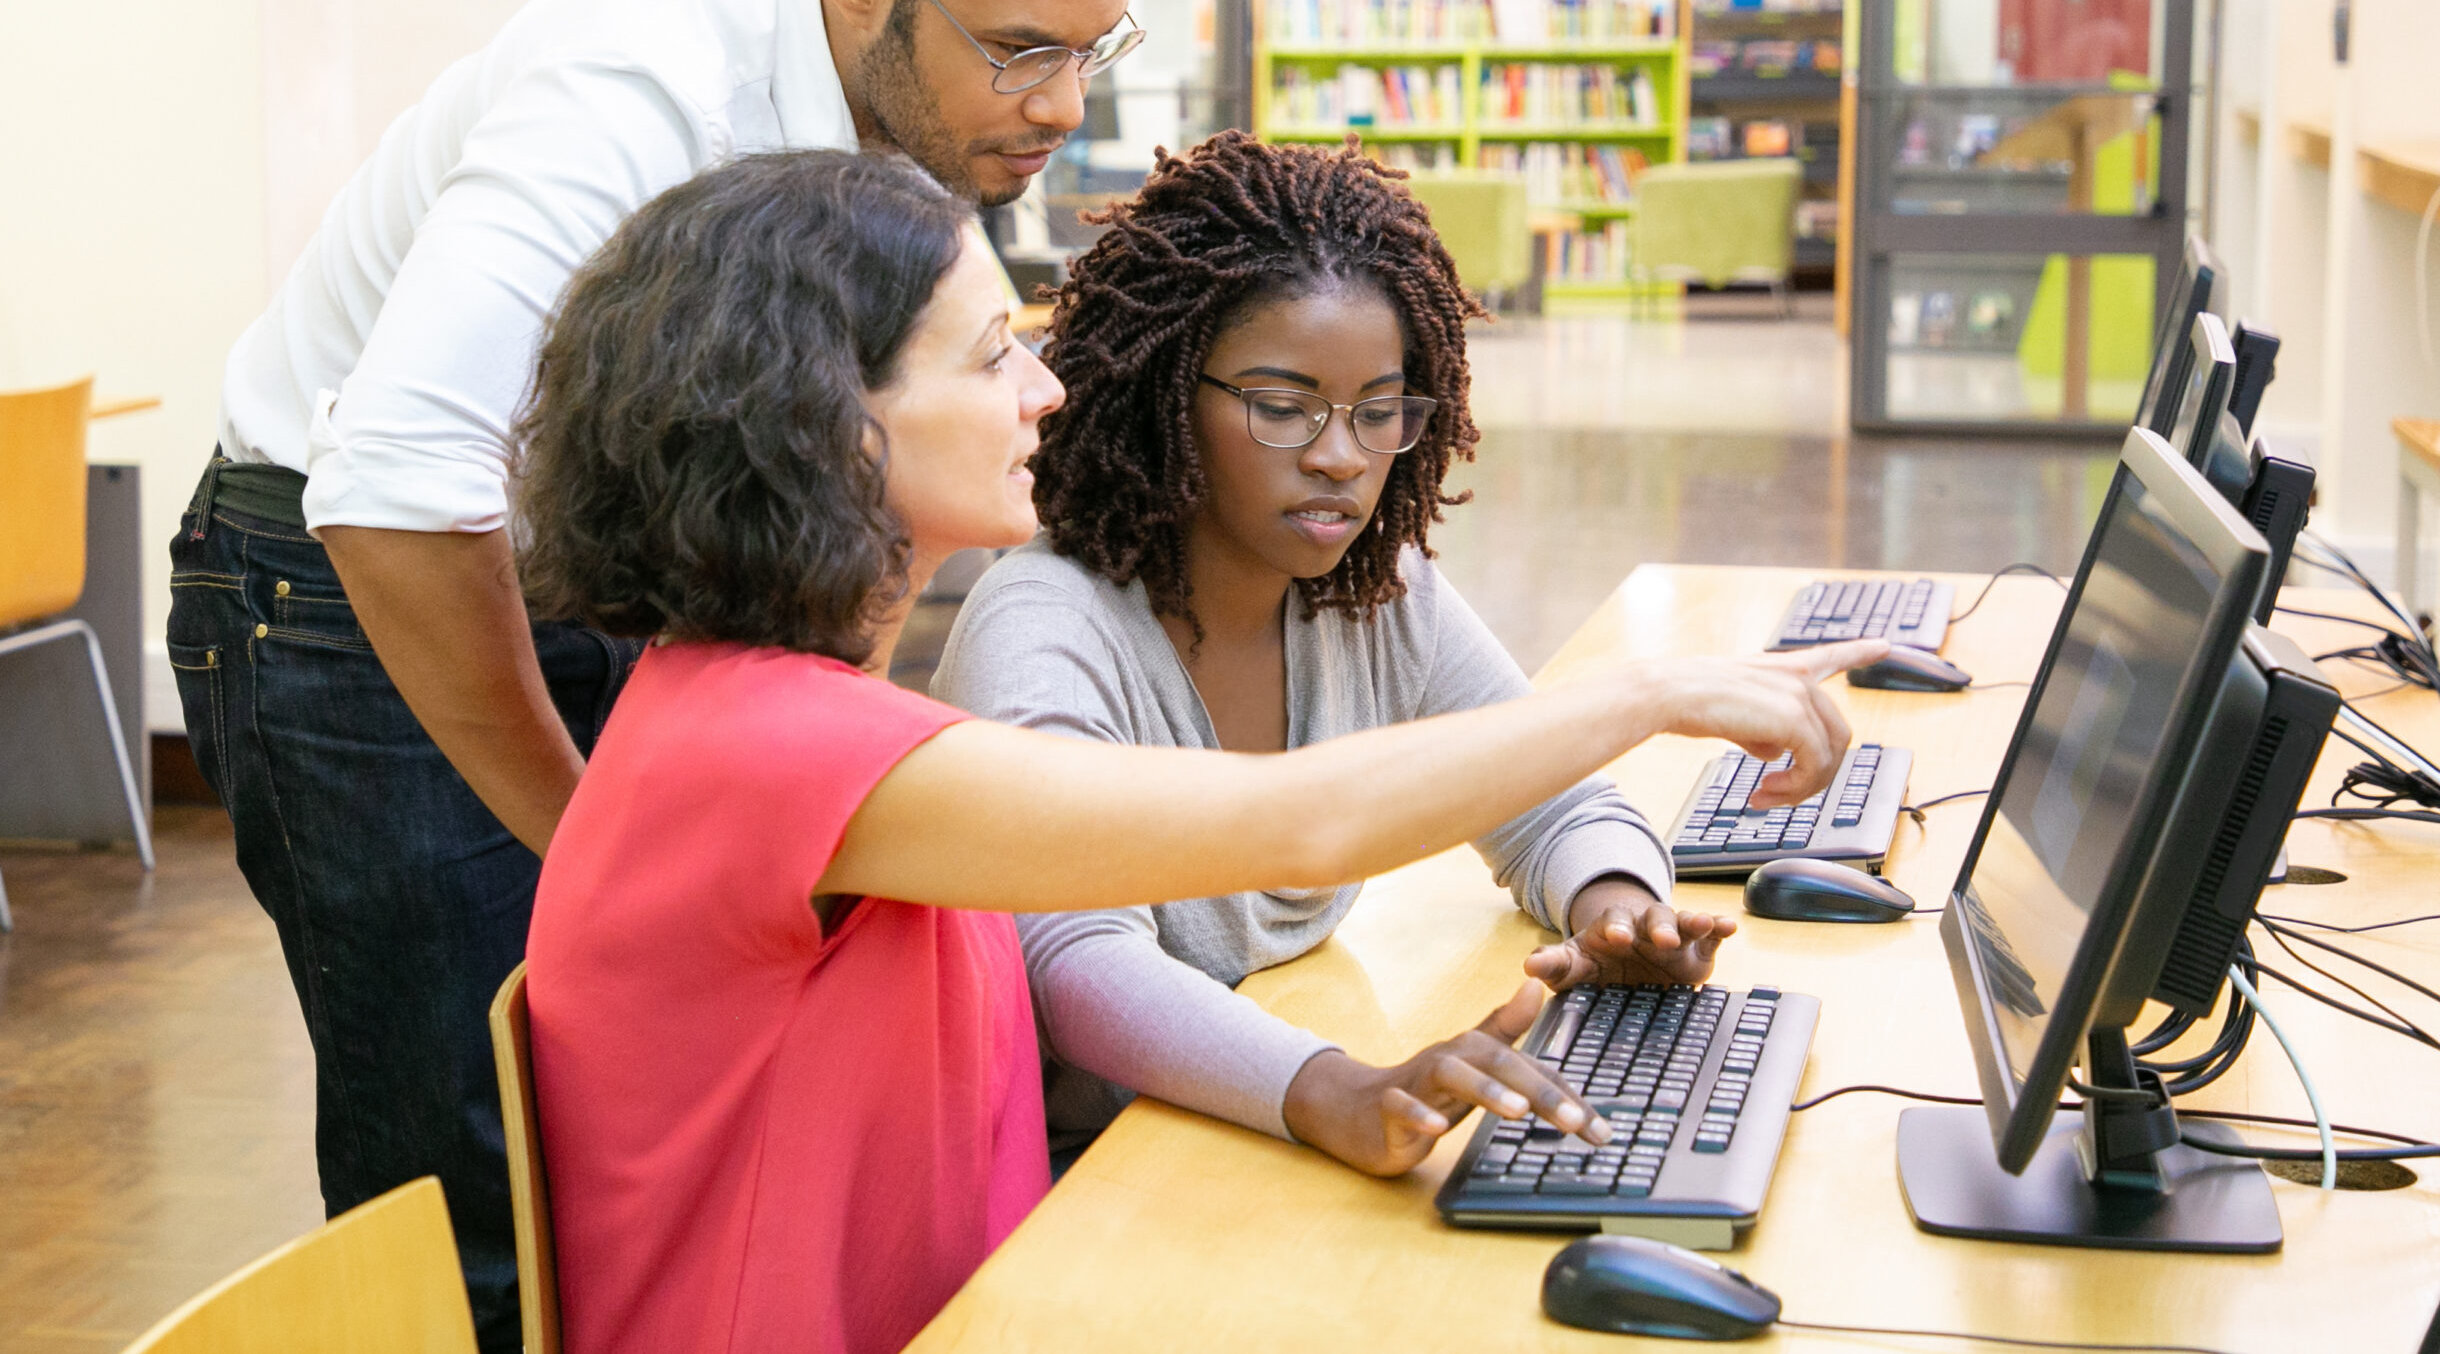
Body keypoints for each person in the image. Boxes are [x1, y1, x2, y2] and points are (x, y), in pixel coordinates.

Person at [515, 149, 1880, 1354]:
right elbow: (1297, 825)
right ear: (829, 416)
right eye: (994, 352)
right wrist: (1647, 692)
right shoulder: (774, 745)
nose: (1047, 387)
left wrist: (1593, 879)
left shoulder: (765, 705)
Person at [164, 0, 1140, 1346]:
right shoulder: (635, 85)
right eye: (1023, 49)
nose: (1062, 105)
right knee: (485, 1163)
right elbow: (395, 483)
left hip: (576, 552)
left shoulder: (925, 107)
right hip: (341, 578)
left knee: (660, 1102)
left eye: (1094, 47)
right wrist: (593, 837)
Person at [931, 132, 1760, 1175]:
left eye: (1380, 414)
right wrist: (1332, 1089)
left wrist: (1618, 911)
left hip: (1262, 1136)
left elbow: (1549, 798)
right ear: (1162, 396)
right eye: (1284, 409)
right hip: (1091, 1176)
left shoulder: (1373, 587)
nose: (1340, 457)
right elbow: (1073, 959)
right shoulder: (1045, 624)